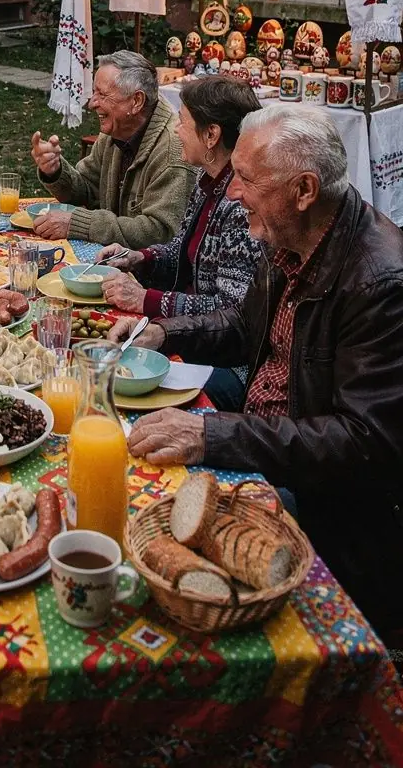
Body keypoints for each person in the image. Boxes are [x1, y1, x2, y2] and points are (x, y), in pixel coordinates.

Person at [110, 104, 403, 634]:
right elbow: (244, 329)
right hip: (258, 443)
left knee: (151, 524)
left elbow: (364, 441)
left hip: (321, 506)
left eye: (245, 179)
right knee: (127, 471)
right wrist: (161, 330)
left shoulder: (379, 284)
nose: (232, 192)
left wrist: (213, 434)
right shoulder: (292, 232)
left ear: (304, 189)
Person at [96, 76, 262, 411]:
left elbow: (232, 312)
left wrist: (148, 300)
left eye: (183, 122)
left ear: (211, 135)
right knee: (103, 353)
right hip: (189, 337)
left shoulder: (239, 202)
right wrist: (138, 257)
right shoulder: (209, 181)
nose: (175, 130)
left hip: (230, 365)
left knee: (113, 381)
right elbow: (180, 253)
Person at [31, 51, 194, 248]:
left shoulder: (173, 150)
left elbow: (160, 232)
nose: (92, 103)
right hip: (113, 260)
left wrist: (81, 224)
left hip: (144, 275)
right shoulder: (115, 131)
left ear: (136, 102)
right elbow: (87, 189)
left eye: (102, 94)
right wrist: (55, 170)